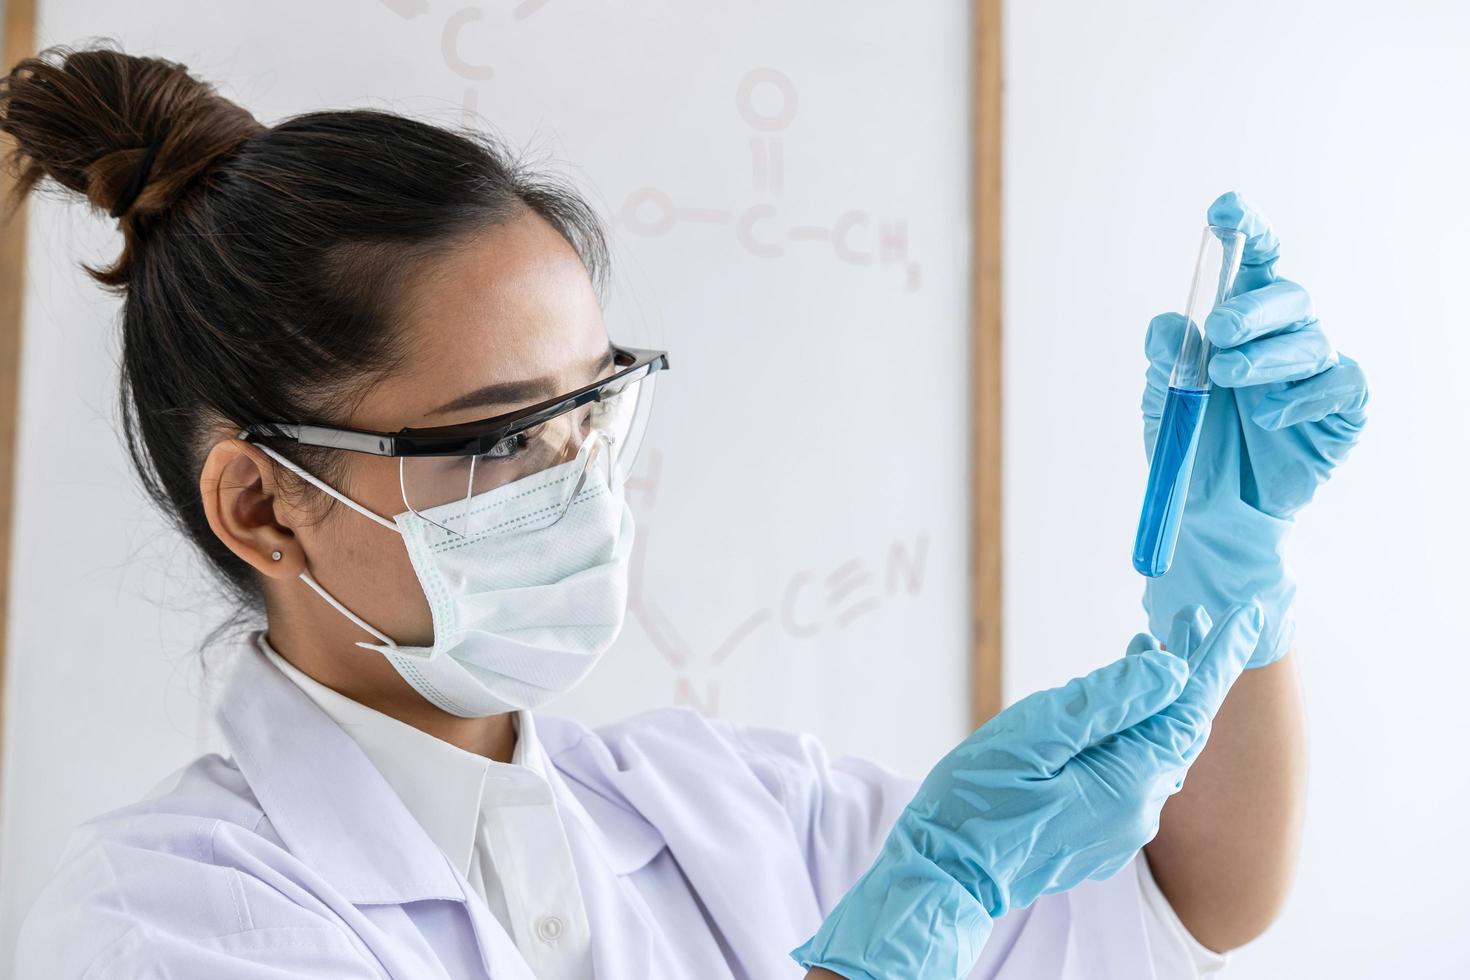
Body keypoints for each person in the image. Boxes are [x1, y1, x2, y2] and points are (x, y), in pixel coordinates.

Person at [0, 43, 1366, 979]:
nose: (578, 479)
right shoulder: (170, 924)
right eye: (500, 439)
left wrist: (1229, 582)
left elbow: (1182, 906)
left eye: (588, 408)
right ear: (264, 508)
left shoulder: (719, 809)